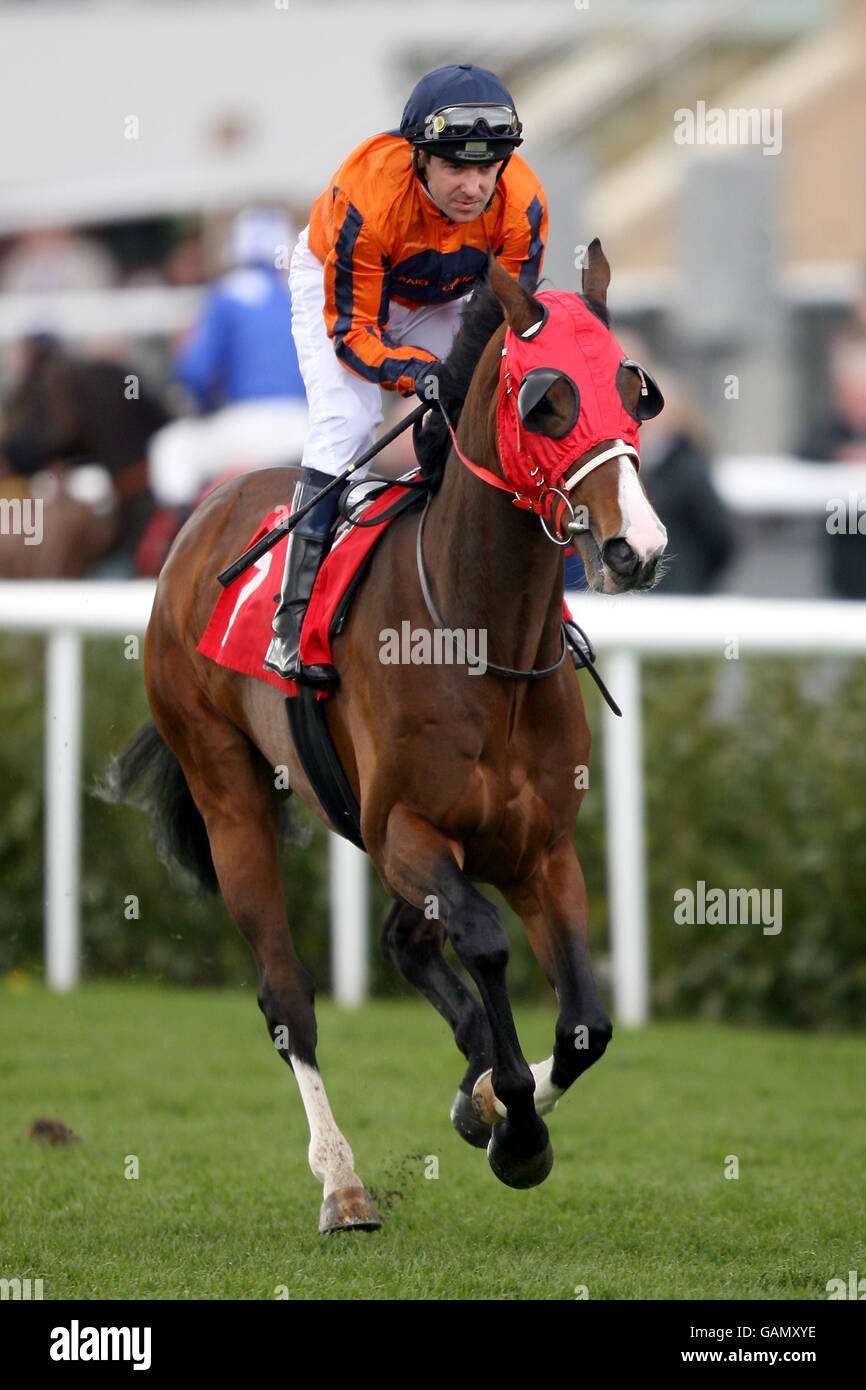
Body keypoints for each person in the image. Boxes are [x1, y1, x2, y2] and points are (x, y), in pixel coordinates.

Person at [265, 63, 548, 684]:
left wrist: (459, 386)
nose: (475, 187)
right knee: (350, 421)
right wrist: (420, 374)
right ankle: (293, 620)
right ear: (418, 157)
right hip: (344, 294)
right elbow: (356, 336)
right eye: (457, 167)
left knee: (480, 410)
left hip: (445, 293)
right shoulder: (365, 197)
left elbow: (508, 322)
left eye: (487, 167)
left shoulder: (523, 203)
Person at [147, 206, 309, 511]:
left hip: (246, 427)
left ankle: (182, 538)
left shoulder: (225, 295)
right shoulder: (302, 293)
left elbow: (193, 372)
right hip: (307, 427)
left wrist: (205, 405)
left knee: (170, 447)